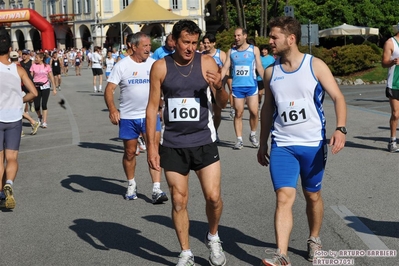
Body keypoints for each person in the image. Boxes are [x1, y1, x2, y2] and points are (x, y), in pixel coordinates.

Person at [257, 16, 347, 265]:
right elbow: (267, 109)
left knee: (312, 196)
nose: (270, 41)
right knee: (284, 197)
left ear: (291, 38)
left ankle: (314, 238)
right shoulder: (270, 71)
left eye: (274, 37)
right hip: (282, 145)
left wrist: (340, 128)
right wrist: (263, 142)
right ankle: (282, 254)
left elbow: (338, 97)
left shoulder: (314, 65)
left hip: (313, 145)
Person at [146, 20, 229, 266]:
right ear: (174, 40)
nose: (191, 48)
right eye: (185, 42)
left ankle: (213, 236)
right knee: (179, 199)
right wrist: (152, 146)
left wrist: (219, 86)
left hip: (204, 140)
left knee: (213, 197)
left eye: (194, 43)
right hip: (173, 143)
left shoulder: (206, 62)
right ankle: (186, 252)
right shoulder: (160, 67)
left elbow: (223, 103)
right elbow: (152, 109)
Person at [104, 32, 168, 204]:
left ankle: (156, 188)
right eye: (145, 46)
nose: (149, 49)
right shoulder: (122, 65)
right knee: (130, 152)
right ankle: (131, 183)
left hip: (150, 116)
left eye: (149, 46)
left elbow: (165, 86)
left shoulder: (154, 64)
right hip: (128, 117)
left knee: (154, 150)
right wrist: (112, 109)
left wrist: (162, 103)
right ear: (133, 46)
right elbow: (109, 90)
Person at [0, 29, 38, 209]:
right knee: (12, 157)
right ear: (9, 48)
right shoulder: (18, 69)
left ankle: (1, 193)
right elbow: (34, 93)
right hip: (14, 117)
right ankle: (9, 183)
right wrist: (18, 100)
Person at [221, 27, 264, 150]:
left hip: (251, 85)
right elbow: (225, 68)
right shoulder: (231, 51)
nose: (236, 38)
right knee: (238, 113)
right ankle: (239, 139)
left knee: (254, 112)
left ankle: (253, 134)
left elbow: (259, 67)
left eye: (239, 35)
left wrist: (268, 80)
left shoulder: (254, 49)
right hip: (237, 87)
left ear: (245, 36)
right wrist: (218, 81)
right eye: (235, 36)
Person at [203, 33, 227, 142]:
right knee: (207, 113)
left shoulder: (220, 54)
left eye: (209, 43)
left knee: (217, 114)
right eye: (205, 43)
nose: (206, 45)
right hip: (205, 88)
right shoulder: (201, 55)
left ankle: (215, 131)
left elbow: (227, 71)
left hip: (216, 87)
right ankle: (208, 133)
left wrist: (221, 83)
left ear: (213, 43)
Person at [382, 24, 399, 152]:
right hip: (394, 84)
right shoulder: (390, 42)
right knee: (396, 113)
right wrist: (392, 62)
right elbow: (384, 62)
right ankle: (392, 141)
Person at [30, 52, 57, 128]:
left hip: (45, 86)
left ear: (41, 58)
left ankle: (44, 121)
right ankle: (39, 116)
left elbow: (51, 77)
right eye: (35, 58)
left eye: (37, 58)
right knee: (37, 105)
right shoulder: (33, 66)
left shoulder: (47, 66)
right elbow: (30, 76)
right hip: (36, 87)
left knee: (44, 104)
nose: (35, 59)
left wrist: (54, 88)